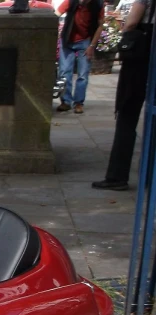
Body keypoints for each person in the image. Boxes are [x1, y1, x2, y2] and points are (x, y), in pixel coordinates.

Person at [92, 0, 154, 190]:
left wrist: (126, 34)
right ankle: (151, 178)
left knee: (127, 115)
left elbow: (131, 22)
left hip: (141, 57)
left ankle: (117, 176)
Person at [55, 0, 106, 114]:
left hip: (85, 41)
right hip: (68, 40)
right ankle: (66, 102)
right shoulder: (71, 2)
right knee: (64, 72)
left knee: (82, 74)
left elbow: (100, 25)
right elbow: (56, 14)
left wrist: (92, 46)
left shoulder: (98, 4)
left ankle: (78, 103)